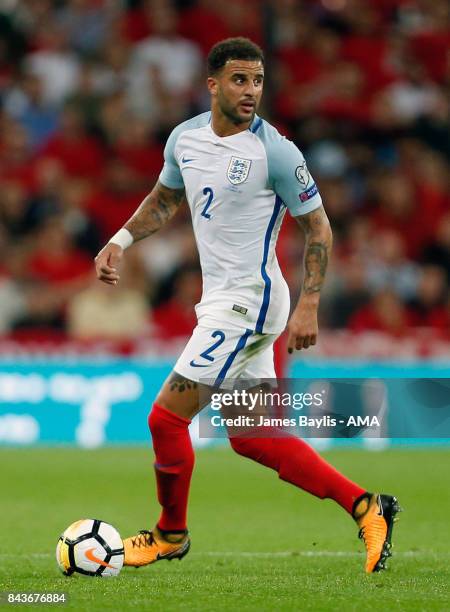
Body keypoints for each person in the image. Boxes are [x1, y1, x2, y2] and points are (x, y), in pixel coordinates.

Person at [94, 38, 401, 574]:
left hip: (250, 303)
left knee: (166, 420)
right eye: (239, 80)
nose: (251, 91)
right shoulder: (184, 139)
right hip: (224, 299)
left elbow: (319, 229)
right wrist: (120, 239)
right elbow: (166, 199)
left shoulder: (276, 152)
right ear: (212, 84)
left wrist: (311, 304)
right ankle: (368, 506)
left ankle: (170, 534)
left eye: (258, 81)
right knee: (253, 435)